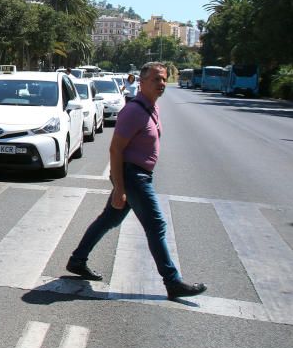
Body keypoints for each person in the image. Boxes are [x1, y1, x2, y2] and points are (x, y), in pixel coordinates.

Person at [65, 62, 207, 299]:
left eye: (163, 79)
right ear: (141, 83)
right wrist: (120, 187)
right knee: (156, 226)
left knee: (108, 220)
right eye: (155, 79)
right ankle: (172, 282)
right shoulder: (133, 111)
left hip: (139, 176)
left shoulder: (152, 108)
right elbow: (115, 149)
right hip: (134, 177)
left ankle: (77, 260)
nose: (161, 84)